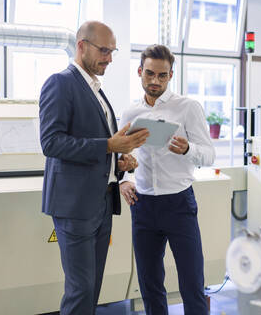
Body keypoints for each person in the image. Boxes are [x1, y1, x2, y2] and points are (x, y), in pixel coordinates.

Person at [39, 21, 149, 315]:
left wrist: (120, 163)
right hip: (74, 206)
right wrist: (109, 147)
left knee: (92, 289)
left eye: (112, 52)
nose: (109, 58)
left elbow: (102, 145)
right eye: (103, 50)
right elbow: (51, 143)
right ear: (81, 46)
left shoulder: (97, 91)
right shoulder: (60, 83)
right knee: (81, 289)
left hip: (101, 202)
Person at [119, 44, 215, 315]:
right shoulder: (130, 113)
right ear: (140, 71)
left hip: (179, 204)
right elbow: (122, 154)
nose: (155, 81)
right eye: (149, 74)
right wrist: (123, 180)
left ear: (171, 75)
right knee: (149, 285)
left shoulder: (188, 108)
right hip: (143, 205)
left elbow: (209, 154)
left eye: (162, 76)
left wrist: (188, 149)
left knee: (191, 283)